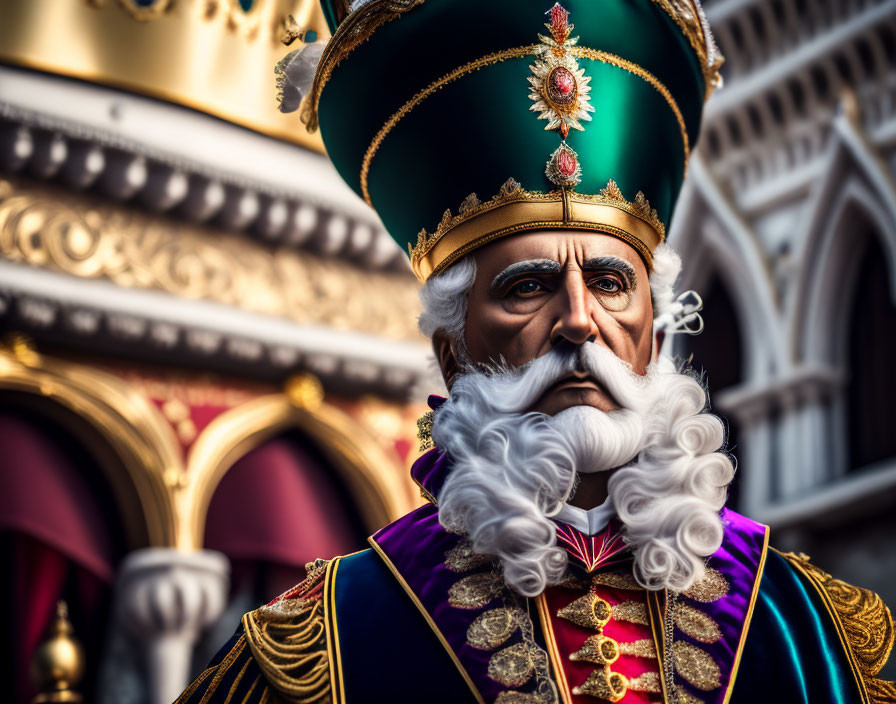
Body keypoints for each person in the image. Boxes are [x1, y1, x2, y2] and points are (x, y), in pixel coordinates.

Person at [177, 0, 895, 702]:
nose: (579, 321)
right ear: (455, 355)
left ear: (658, 336)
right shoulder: (342, 633)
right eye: (529, 287)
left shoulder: (796, 620)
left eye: (612, 283)